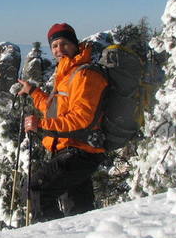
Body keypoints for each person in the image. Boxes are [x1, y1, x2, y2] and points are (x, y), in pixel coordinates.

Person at [16, 22, 108, 221]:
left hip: (80, 152)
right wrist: (33, 91)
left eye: (64, 43)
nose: (59, 49)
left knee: (35, 190)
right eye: (55, 45)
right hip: (70, 150)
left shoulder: (85, 74)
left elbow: (82, 119)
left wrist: (41, 125)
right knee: (77, 211)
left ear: (75, 44)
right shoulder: (66, 74)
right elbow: (54, 111)